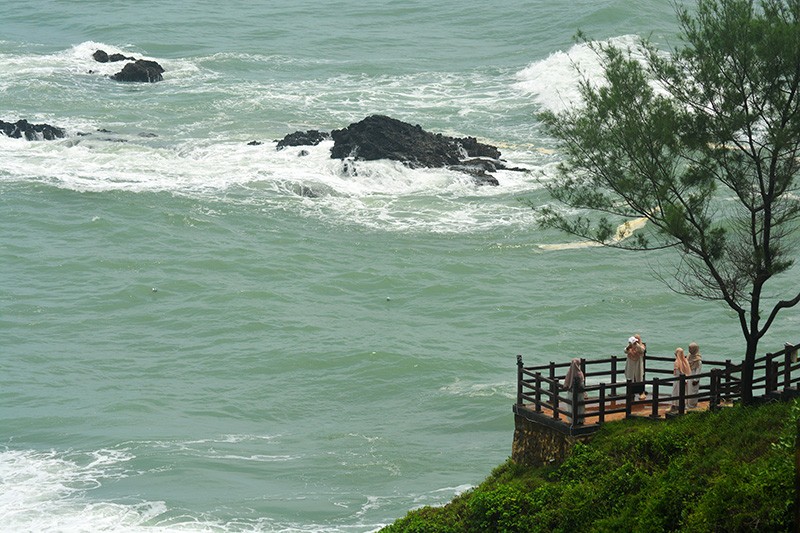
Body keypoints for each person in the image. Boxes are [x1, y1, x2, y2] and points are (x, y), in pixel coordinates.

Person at [563, 357, 587, 425]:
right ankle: (579, 419)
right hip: (579, 394)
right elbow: (582, 384)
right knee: (580, 406)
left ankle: (571, 419)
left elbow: (566, 382)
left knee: (571, 406)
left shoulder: (569, 372)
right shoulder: (580, 373)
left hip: (571, 393)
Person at [625, 335, 646, 400]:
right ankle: (631, 393)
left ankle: (641, 393)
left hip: (638, 365)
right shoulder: (630, 346)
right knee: (630, 378)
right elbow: (625, 351)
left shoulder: (641, 345)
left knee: (639, 378)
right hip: (630, 365)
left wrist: (636, 344)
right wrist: (630, 346)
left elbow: (642, 350)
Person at [671, 347, 691, 411]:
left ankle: (675, 406)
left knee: (676, 392)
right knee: (684, 393)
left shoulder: (677, 362)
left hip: (677, 381)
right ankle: (683, 405)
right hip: (685, 380)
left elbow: (677, 373)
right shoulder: (685, 361)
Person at [687, 342, 702, 408]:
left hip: (694, 377)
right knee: (687, 391)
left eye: (690, 348)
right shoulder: (688, 357)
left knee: (693, 391)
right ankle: (688, 404)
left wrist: (696, 380)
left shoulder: (698, 360)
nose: (689, 350)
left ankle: (692, 405)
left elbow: (698, 371)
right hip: (688, 376)